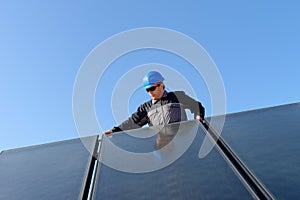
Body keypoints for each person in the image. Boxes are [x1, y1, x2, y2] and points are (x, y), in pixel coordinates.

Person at [104, 71, 205, 135]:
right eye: (147, 90)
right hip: (162, 147)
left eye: (152, 88)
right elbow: (132, 122)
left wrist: (198, 117)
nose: (150, 92)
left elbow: (197, 106)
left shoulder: (177, 96)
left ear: (161, 85)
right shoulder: (146, 107)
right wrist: (114, 131)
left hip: (182, 141)